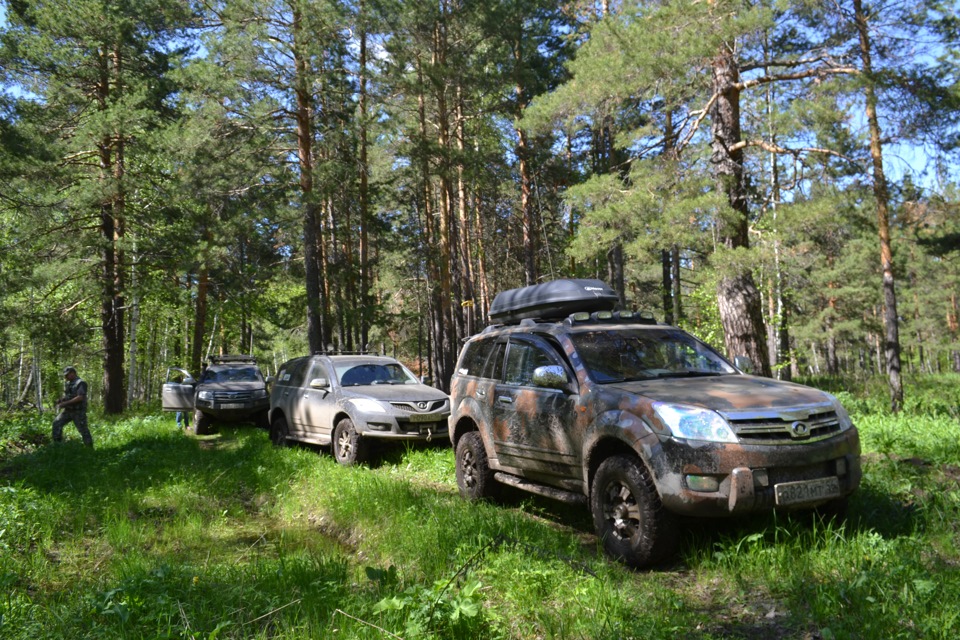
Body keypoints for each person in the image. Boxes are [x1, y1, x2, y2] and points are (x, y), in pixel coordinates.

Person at [52, 366, 93, 448]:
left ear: (73, 373)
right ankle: (57, 446)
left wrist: (65, 403)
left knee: (83, 430)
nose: (66, 377)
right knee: (56, 423)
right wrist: (62, 400)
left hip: (78, 411)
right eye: (65, 375)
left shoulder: (80, 383)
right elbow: (70, 395)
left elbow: (80, 397)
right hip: (68, 410)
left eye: (67, 375)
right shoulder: (69, 383)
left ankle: (90, 449)